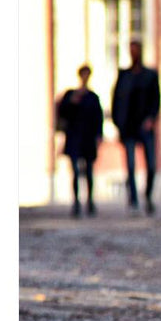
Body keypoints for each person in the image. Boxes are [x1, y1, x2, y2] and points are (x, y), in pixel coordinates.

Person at [111, 39, 161, 215]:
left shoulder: (150, 75)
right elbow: (116, 100)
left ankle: (147, 196)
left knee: (151, 165)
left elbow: (156, 100)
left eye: (136, 50)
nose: (133, 54)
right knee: (130, 166)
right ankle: (133, 199)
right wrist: (118, 123)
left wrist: (151, 119)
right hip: (128, 127)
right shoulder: (124, 76)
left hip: (145, 127)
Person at [57, 65, 103, 218]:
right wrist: (72, 102)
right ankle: (76, 201)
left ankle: (90, 201)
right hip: (74, 137)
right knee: (75, 171)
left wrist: (98, 136)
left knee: (88, 171)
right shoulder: (70, 95)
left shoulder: (93, 97)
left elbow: (98, 118)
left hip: (88, 138)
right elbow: (62, 113)